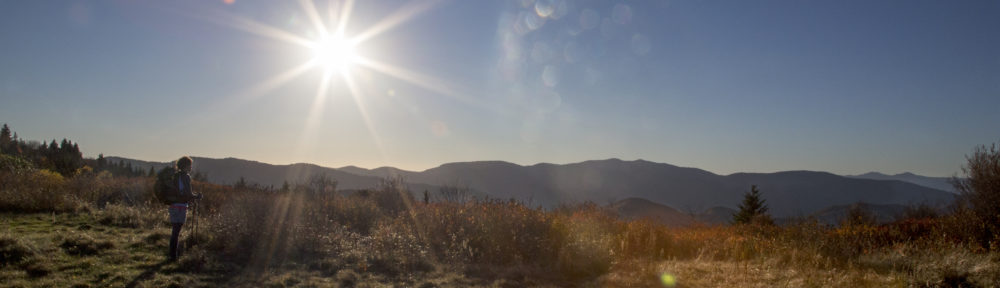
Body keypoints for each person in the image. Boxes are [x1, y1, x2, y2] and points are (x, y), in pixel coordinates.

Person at [168, 156, 203, 261]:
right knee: (176, 231)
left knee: (175, 231)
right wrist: (198, 196)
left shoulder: (175, 176)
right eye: (190, 165)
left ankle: (172, 254)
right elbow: (188, 193)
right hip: (181, 206)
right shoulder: (186, 176)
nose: (191, 167)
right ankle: (173, 256)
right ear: (186, 166)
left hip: (173, 205)